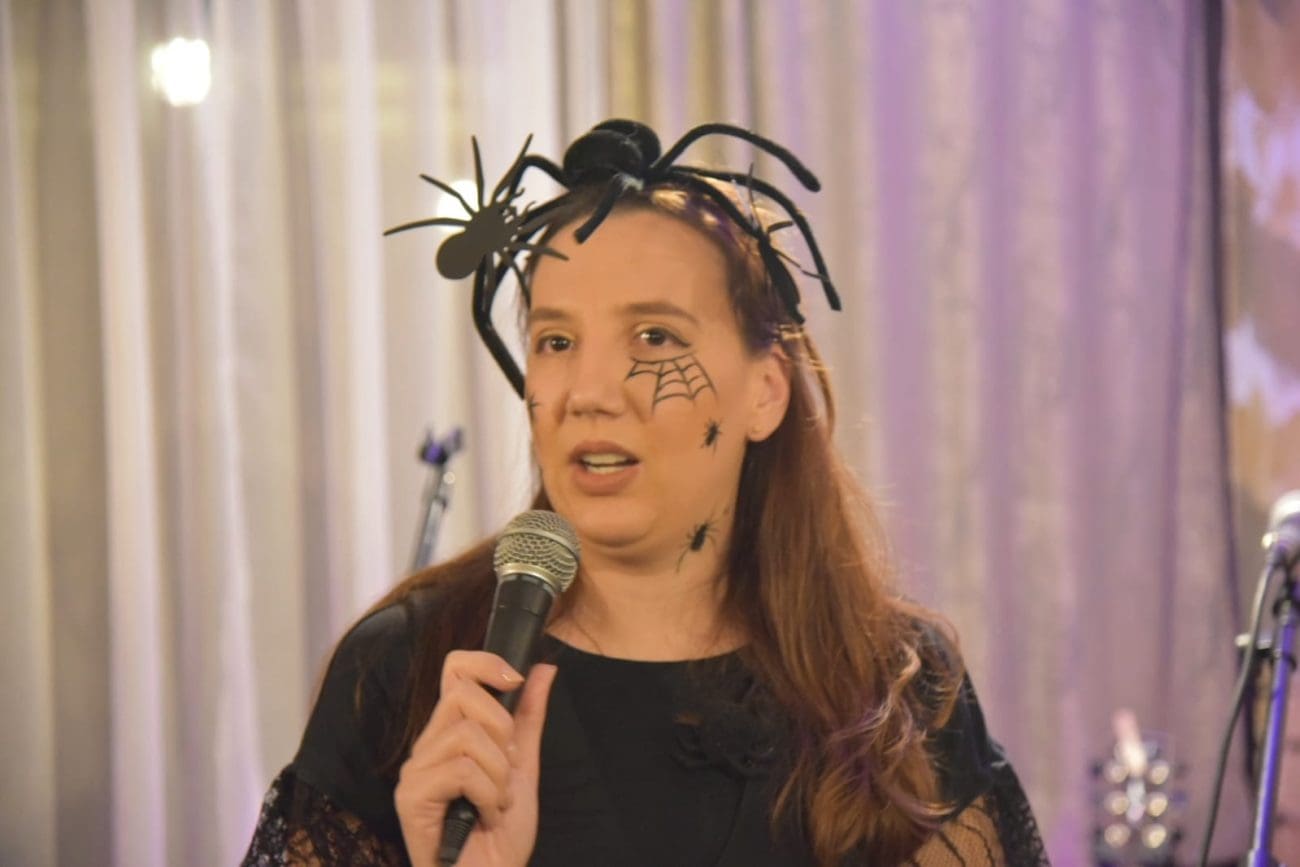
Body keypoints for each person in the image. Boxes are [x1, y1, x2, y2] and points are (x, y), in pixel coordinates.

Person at [242, 121, 1049, 866]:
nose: (589, 392)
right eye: (556, 340)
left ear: (765, 392)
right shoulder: (409, 669)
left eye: (654, 337)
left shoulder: (896, 684)